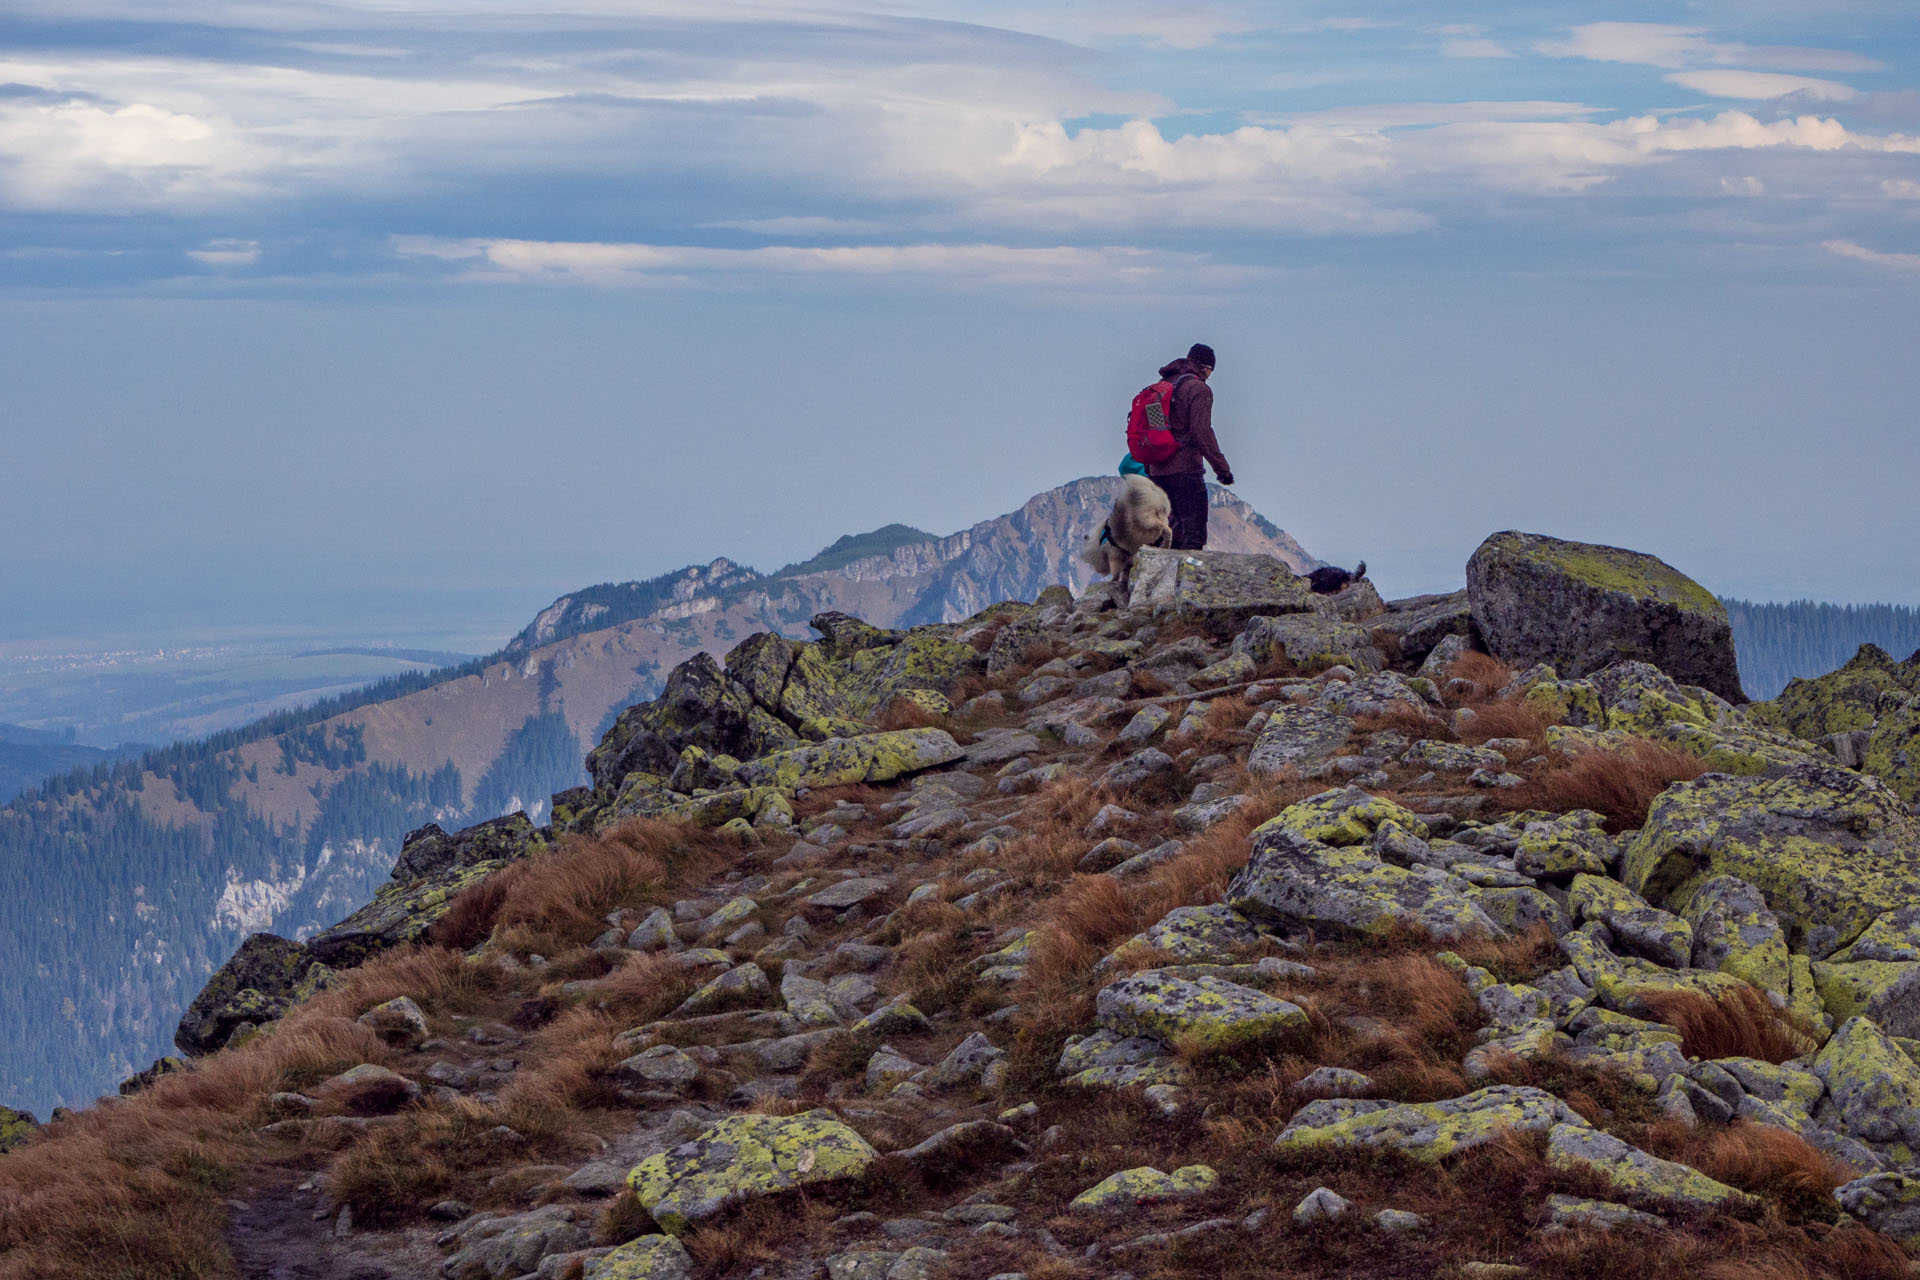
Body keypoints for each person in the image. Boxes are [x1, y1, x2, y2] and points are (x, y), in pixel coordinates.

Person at [1146, 342, 1233, 550]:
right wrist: (1222, 469)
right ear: (1205, 367)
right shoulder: (1199, 389)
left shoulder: (1161, 387)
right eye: (1210, 371)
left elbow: (1154, 426)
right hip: (1185, 471)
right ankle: (1187, 581)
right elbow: (1201, 432)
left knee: (1166, 534)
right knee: (1193, 535)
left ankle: (1156, 579)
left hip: (1157, 473)